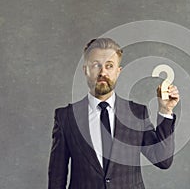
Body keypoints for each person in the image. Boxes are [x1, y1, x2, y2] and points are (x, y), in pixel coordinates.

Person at [48, 38, 180, 189]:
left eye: (109, 66)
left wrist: (165, 110)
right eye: (96, 65)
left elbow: (162, 160)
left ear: (118, 71)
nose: (103, 72)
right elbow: (56, 178)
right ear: (85, 70)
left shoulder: (136, 114)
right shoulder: (66, 117)